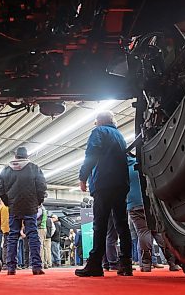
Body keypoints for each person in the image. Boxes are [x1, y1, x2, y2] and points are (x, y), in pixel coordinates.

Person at [75, 111, 132, 277]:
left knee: (100, 224)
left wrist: (83, 177)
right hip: (121, 184)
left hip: (103, 183)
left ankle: (94, 265)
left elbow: (91, 154)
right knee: (122, 223)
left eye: (95, 121)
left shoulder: (99, 132)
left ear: (99, 121)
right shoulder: (120, 136)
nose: (94, 124)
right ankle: (126, 264)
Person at [0, 146, 47, 275]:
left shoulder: (6, 169)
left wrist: (9, 203)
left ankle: (11, 268)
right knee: (33, 235)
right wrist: (38, 201)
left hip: (14, 207)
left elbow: (0, 190)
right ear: (26, 156)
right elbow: (42, 186)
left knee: (13, 235)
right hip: (30, 205)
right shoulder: (34, 168)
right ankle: (36, 266)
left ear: (15, 156)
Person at [126, 156, 181, 272]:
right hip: (150, 202)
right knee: (158, 232)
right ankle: (172, 262)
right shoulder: (144, 164)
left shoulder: (124, 170)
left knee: (143, 232)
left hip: (134, 205)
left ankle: (146, 264)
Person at [0, 200, 10, 269]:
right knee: (14, 246)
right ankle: (13, 263)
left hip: (5, 230)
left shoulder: (2, 208)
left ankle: (5, 264)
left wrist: (2, 226)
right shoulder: (14, 207)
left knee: (5, 246)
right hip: (14, 230)